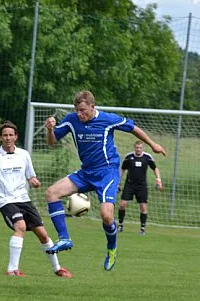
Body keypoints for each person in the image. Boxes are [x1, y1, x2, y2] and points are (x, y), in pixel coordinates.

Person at [43, 90, 166, 271]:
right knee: (51, 193)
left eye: (83, 110)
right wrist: (50, 129)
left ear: (93, 107)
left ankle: (111, 248)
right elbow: (52, 142)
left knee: (106, 215)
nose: (79, 114)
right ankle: (64, 238)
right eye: (77, 110)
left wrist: (153, 144)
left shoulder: (108, 119)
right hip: (86, 172)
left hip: (107, 172)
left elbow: (133, 128)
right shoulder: (71, 120)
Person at [0, 121, 72, 278]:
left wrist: (34, 181)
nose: (8, 138)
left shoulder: (24, 155)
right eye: (5, 135)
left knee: (43, 235)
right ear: (0, 138)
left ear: (16, 137)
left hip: (24, 200)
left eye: (11, 135)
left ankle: (57, 268)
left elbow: (31, 177)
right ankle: (12, 270)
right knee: (20, 226)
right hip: (6, 201)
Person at [117, 141, 163, 235]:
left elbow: (155, 168)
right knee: (122, 204)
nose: (138, 149)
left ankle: (142, 228)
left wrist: (158, 179)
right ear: (134, 148)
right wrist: (118, 182)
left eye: (140, 148)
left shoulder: (147, 157)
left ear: (143, 148)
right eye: (137, 147)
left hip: (142, 186)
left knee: (143, 207)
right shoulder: (129, 157)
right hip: (129, 184)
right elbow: (122, 169)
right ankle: (120, 225)